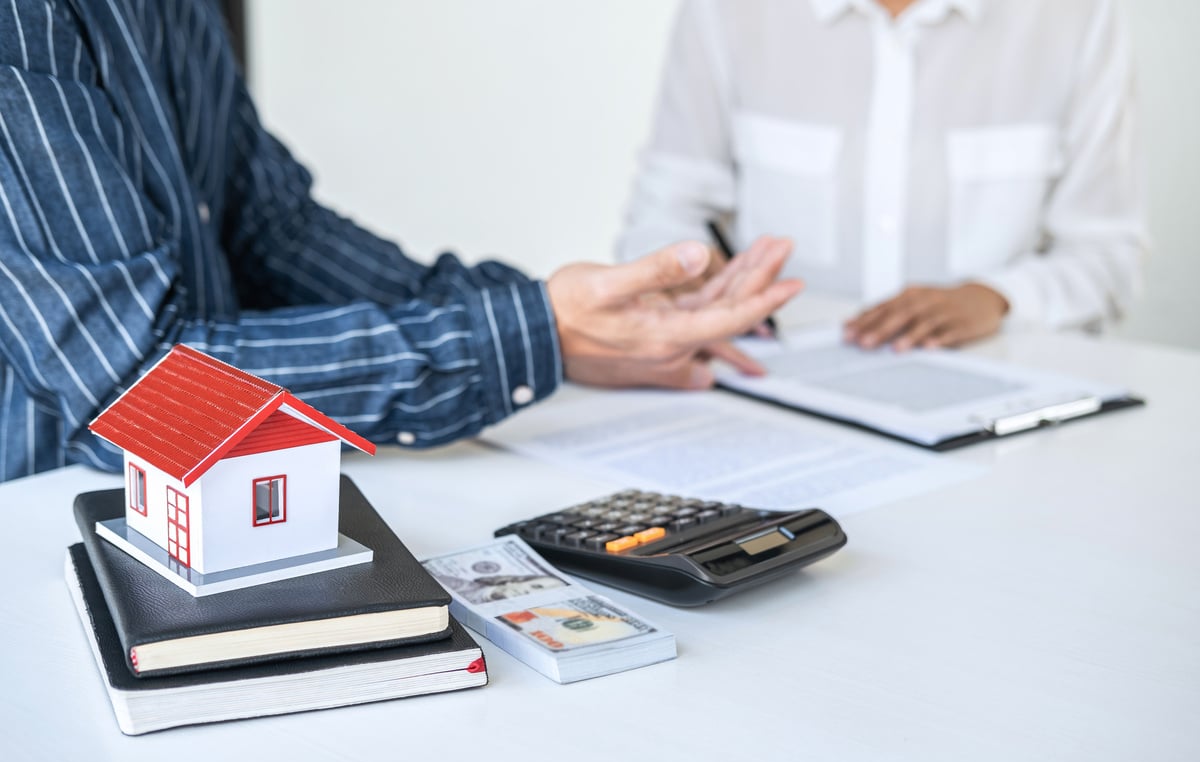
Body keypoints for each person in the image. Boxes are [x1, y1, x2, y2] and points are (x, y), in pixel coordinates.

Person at [0, 0, 803, 482]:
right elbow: (141, 399)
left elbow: (270, 228)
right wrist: (536, 332)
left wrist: (572, 324)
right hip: (46, 539)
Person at [618, 0, 1147, 351]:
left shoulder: (1076, 17)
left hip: (1003, 412)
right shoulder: (726, 12)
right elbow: (665, 210)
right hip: (771, 395)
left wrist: (998, 296)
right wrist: (688, 280)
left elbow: (1106, 254)